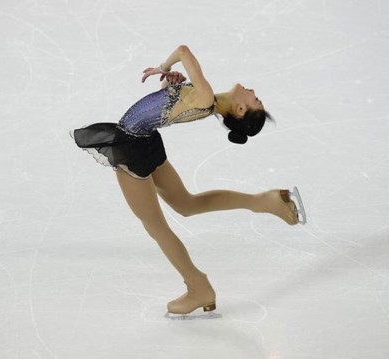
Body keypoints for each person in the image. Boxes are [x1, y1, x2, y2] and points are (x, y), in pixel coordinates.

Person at [70, 45, 306, 318]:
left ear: (240, 109)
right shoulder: (203, 98)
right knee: (186, 204)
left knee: (155, 226)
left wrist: (164, 67)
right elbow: (161, 108)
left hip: (132, 147)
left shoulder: (204, 95)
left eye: (256, 100)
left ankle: (197, 287)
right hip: (145, 141)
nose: (254, 92)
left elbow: (183, 50)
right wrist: (167, 84)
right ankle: (265, 201)